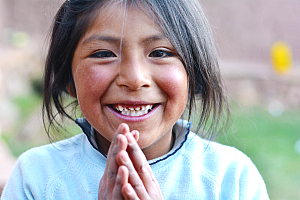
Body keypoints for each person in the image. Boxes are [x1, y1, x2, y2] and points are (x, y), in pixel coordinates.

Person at [2, 0, 269, 199]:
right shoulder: (36, 178)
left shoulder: (230, 180)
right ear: (68, 79)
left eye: (161, 53)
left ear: (193, 73)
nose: (134, 78)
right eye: (104, 53)